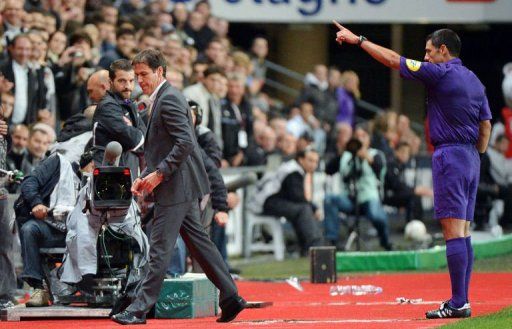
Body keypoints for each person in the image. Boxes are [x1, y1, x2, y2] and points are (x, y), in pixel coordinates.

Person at [334, 24, 492, 318]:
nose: (426, 57)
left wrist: (360, 41)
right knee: (465, 232)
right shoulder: (474, 80)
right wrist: (475, 154)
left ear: (443, 50)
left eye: (429, 51)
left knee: (453, 232)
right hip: (471, 157)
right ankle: (463, 299)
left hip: (450, 155)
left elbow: (394, 60)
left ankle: (459, 303)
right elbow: (486, 126)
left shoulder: (440, 72)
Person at [111, 49, 245, 325]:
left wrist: (158, 175)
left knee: (160, 247)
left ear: (160, 71)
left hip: (176, 186)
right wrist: (146, 174)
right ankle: (231, 296)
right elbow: (163, 147)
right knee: (200, 246)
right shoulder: (164, 98)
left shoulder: (169, 99)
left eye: (143, 75)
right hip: (179, 184)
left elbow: (185, 142)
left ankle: (138, 310)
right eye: (136, 76)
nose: (139, 81)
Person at [92, 59, 145, 178]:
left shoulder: (128, 103)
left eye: (131, 81)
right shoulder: (107, 106)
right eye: (122, 81)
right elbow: (134, 140)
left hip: (126, 171)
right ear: (110, 82)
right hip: (108, 175)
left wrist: (134, 131)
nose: (128, 86)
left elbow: (146, 136)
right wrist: (135, 132)